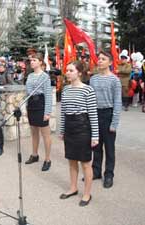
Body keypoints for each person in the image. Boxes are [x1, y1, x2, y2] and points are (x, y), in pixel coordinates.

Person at [59, 61, 99, 206]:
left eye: (71, 70)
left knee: (86, 164)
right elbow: (63, 112)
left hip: (83, 128)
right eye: (67, 70)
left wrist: (95, 136)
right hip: (69, 128)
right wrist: (62, 130)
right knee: (71, 160)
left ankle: (87, 193)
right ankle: (73, 188)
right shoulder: (65, 90)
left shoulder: (88, 90)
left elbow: (93, 114)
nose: (67, 73)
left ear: (79, 73)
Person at [89, 51, 122, 188]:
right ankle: (96, 171)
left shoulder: (115, 80)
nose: (100, 61)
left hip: (108, 115)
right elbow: (90, 99)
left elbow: (117, 102)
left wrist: (114, 123)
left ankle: (109, 174)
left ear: (110, 62)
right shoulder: (93, 79)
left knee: (109, 148)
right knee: (96, 146)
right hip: (95, 114)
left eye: (103, 59)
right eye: (99, 59)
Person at [25, 53, 52, 171]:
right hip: (31, 105)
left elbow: (48, 95)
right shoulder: (30, 76)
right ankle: (34, 154)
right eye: (31, 60)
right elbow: (28, 92)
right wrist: (27, 107)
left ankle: (47, 159)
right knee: (34, 132)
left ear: (41, 62)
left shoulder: (45, 76)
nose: (32, 62)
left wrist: (47, 112)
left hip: (41, 104)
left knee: (45, 134)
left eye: (34, 60)